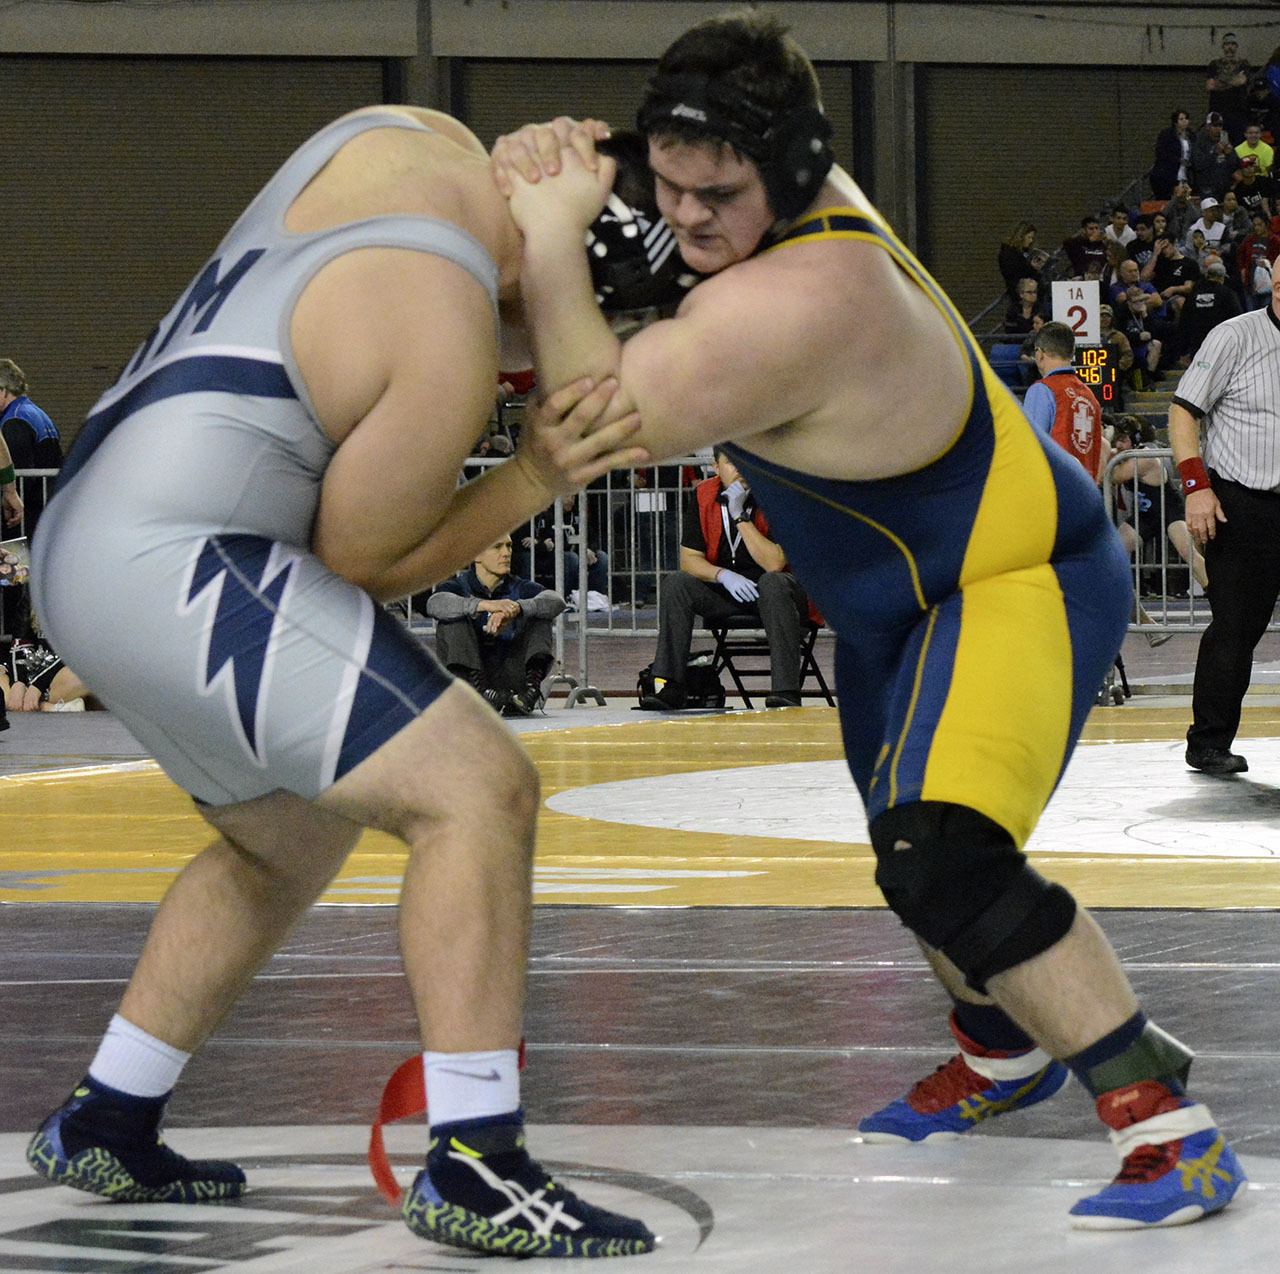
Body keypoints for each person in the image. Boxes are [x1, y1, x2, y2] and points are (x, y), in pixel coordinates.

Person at [495, 8, 1245, 1230]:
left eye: (714, 193)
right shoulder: (759, 192)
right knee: (913, 867)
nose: (685, 218)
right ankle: (1004, 1051)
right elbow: (667, 183)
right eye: (667, 185)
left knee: (944, 855)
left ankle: (1163, 1120)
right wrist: (567, 162)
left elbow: (590, 416)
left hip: (1012, 580)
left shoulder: (806, 295)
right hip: (902, 603)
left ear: (787, 176)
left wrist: (544, 229)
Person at [23, 104, 660, 1259]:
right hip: (179, 555)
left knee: (290, 839)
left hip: (91, 531)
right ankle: (476, 1157)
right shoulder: (446, 317)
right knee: (478, 790)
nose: (525, 359)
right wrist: (525, 475)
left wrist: (551, 203)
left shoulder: (398, 132)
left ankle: (108, 1112)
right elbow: (359, 561)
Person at [1171, 268, 1280, 779]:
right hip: (1243, 504)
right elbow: (1184, 411)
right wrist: (1196, 486)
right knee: (1235, 628)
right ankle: (1209, 743)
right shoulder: (1234, 336)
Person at [639, 445, 811, 710]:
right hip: (728, 592)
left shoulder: (778, 495)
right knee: (676, 583)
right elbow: (689, 560)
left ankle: (786, 690)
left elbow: (775, 562)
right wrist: (722, 575)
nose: (741, 470)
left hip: (779, 595)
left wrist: (739, 515)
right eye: (732, 463)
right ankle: (668, 685)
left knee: (772, 583)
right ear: (716, 468)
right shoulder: (703, 495)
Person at [425, 534, 565, 717]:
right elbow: (434, 604)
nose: (506, 553)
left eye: (509, 546)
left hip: (510, 672)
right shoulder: (459, 586)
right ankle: (478, 694)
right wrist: (482, 605)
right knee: (453, 618)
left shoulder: (519, 587)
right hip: (473, 678)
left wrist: (518, 608)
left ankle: (529, 693)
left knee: (539, 613)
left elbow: (557, 601)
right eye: (497, 547)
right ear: (476, 555)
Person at [1021, 322, 1102, 481]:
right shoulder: (1090, 396)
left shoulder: (1042, 391)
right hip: (1086, 492)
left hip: (1055, 490)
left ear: (1039, 354)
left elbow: (1031, 448)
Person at [1175, 258, 1241, 361]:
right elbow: (1237, 317)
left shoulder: (1194, 294)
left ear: (1207, 275)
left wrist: (1183, 349)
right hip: (1220, 342)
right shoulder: (1227, 293)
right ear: (1222, 278)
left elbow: (1184, 320)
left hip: (1198, 344)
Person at [1206, 33, 1251, 142]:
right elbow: (1210, 86)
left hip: (1238, 111)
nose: (1230, 47)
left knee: (1239, 144)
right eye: (1227, 44)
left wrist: (1220, 81)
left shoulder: (1243, 64)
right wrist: (1233, 81)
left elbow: (1241, 81)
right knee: (1221, 143)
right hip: (1219, 111)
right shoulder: (1214, 64)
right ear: (1223, 46)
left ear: (1236, 46)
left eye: (1232, 44)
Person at [1148, 109, 1193, 199]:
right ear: (1175, 122)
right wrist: (1177, 159)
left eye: (1186, 118)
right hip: (1169, 173)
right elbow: (1161, 152)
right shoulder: (1167, 134)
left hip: (1184, 173)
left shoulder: (1191, 136)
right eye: (1181, 119)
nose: (1184, 121)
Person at [997, 220, 1045, 298]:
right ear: (1021, 237)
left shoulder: (1024, 253)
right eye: (1029, 237)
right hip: (1020, 293)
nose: (1031, 241)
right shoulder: (1009, 254)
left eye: (1032, 238)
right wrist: (1032, 268)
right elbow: (1014, 273)